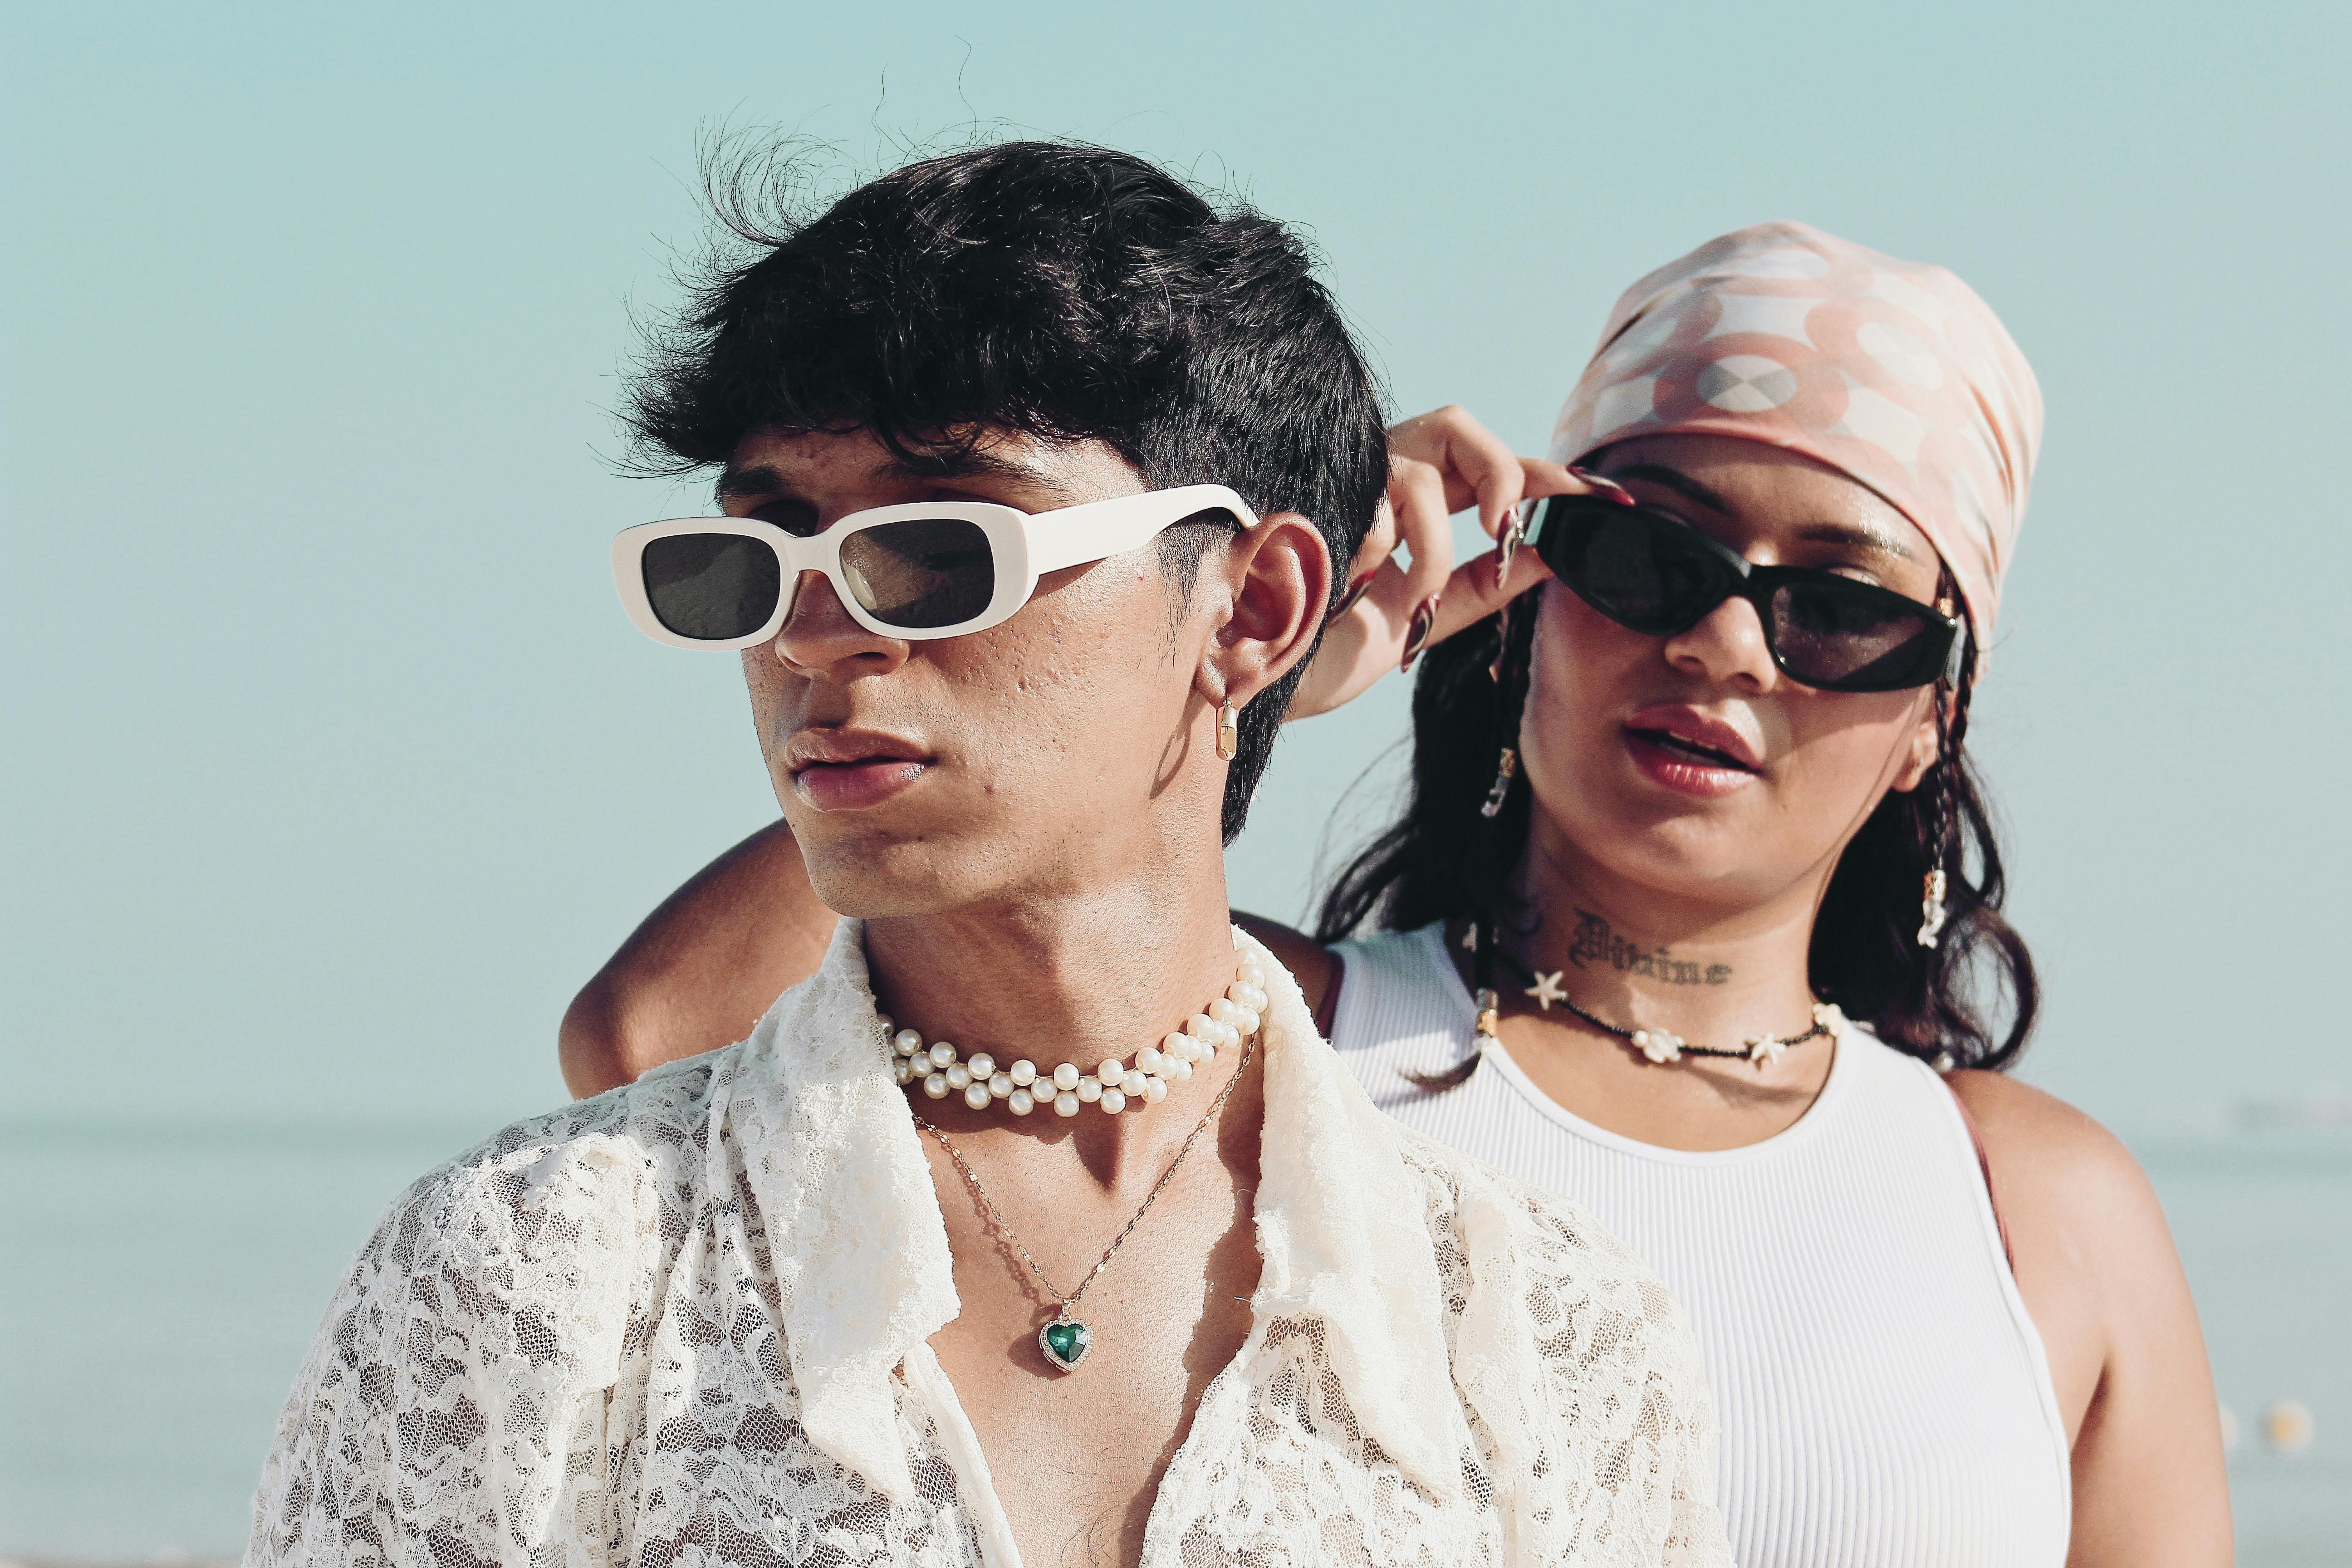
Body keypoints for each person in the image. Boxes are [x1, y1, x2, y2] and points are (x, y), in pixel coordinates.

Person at [559, 221, 2232, 1565]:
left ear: (1937, 708)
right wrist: (1237, 664)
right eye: (1650, 557)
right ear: (1525, 594)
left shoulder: (2033, 1210)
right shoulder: (1274, 1055)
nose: (1724, 646)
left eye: (1843, 609)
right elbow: (667, 1037)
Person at [249, 142, 1732, 1568]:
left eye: (949, 549)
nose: (817, 632)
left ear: (1256, 607)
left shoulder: (1539, 1328)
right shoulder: (533, 1277)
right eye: (752, 562)